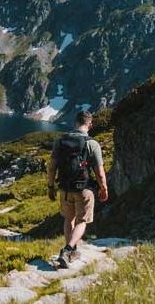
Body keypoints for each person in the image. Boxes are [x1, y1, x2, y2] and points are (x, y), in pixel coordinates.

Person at [47, 110, 108, 268]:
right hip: (84, 189)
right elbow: (100, 173)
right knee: (82, 221)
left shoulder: (60, 141)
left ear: (75, 122)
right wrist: (104, 188)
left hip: (65, 189)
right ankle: (68, 250)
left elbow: (52, 167)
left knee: (69, 219)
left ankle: (71, 252)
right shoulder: (92, 144)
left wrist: (50, 186)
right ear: (90, 124)